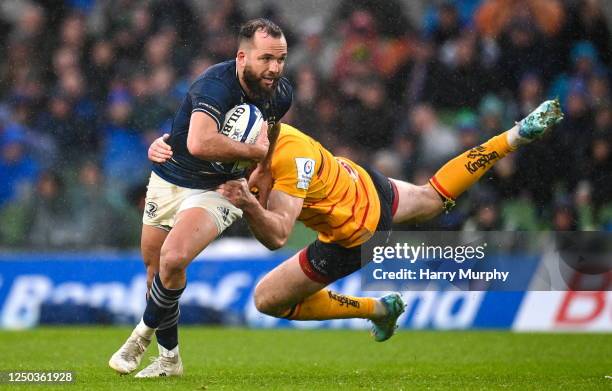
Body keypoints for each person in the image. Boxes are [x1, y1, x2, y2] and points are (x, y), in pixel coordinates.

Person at [149, 100, 563, 341]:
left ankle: (377, 309)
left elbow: (276, 235)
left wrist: (251, 204)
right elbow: (207, 146)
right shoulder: (271, 134)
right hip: (367, 184)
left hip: (357, 234)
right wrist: (162, 147)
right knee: (433, 197)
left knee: (267, 300)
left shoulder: (291, 163)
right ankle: (514, 136)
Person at [108, 18, 293, 378]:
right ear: (242, 57)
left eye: (281, 59)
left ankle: (139, 338)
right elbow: (198, 142)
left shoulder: (281, 94)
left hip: (219, 189)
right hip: (169, 177)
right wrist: (253, 154)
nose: (275, 68)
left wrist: (260, 177)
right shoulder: (215, 84)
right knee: (155, 273)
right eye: (266, 58)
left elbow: (268, 136)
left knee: (173, 258)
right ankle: (170, 360)